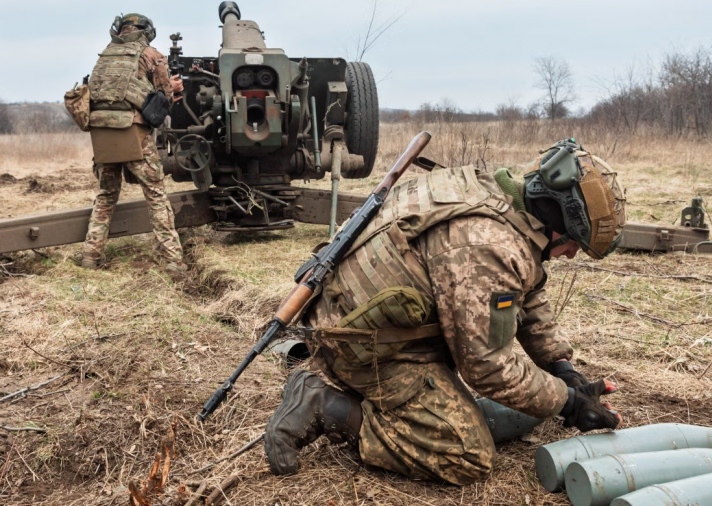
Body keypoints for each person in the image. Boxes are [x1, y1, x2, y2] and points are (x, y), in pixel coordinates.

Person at [264, 139, 627, 485]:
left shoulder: (492, 195)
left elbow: (526, 290)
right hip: (363, 350)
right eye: (573, 245)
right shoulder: (487, 245)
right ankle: (325, 405)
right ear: (559, 222)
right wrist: (567, 402)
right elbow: (486, 368)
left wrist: (560, 366)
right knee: (467, 455)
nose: (571, 255)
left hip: (357, 320)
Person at [81, 13, 185, 273]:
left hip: (103, 134)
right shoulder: (151, 54)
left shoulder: (105, 55)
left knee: (105, 196)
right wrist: (172, 87)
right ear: (146, 31)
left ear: (120, 29)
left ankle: (90, 258)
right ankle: (174, 263)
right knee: (156, 196)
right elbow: (163, 99)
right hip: (133, 133)